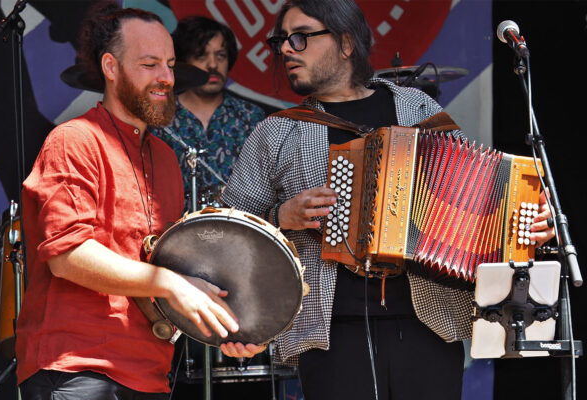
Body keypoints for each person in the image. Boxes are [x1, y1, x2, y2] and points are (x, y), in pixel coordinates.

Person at [220, 1, 556, 399]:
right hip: (330, 334)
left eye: (300, 37)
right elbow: (226, 231)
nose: (286, 50)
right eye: (281, 41)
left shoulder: (417, 110)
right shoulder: (276, 133)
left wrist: (524, 222)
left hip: (429, 324)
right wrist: (281, 215)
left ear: (346, 43)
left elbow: (477, 201)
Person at [15, 3, 263, 399]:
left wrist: (232, 328)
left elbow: (175, 273)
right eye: (150, 64)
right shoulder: (74, 139)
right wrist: (171, 283)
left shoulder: (166, 158)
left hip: (149, 373)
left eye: (169, 63)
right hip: (76, 366)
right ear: (111, 68)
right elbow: (67, 256)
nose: (167, 78)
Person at [152, 16, 265, 211]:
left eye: (220, 55)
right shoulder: (162, 117)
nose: (212, 64)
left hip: (242, 235)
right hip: (176, 234)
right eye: (201, 56)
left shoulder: (251, 117)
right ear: (183, 62)